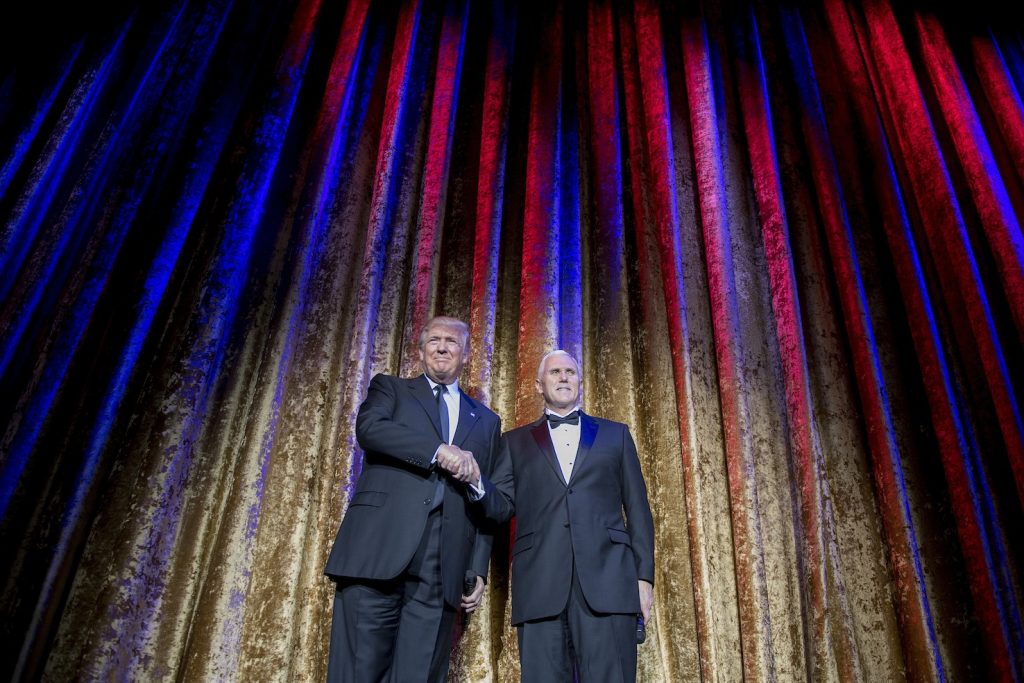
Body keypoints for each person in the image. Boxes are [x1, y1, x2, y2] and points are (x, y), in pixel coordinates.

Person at [324, 316, 514, 683]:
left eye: (452, 342)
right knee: (357, 671)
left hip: (440, 569)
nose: (442, 347)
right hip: (376, 553)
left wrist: (475, 566)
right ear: (421, 348)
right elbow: (370, 429)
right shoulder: (391, 389)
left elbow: (499, 505)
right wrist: (437, 450)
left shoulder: (487, 421)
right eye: (435, 340)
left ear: (466, 354)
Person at [502, 350, 654, 683]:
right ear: (539, 384)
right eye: (555, 372)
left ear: (580, 382)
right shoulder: (512, 443)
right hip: (540, 585)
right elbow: (498, 506)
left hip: (610, 583)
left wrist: (644, 579)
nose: (563, 377)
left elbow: (639, 509)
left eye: (570, 371)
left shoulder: (616, 435)